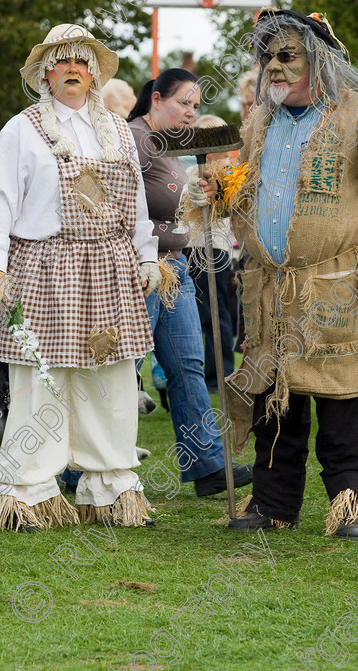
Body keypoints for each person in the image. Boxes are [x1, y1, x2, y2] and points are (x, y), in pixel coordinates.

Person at [191, 9, 358, 537]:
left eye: (286, 55)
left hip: (332, 283)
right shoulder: (260, 122)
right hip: (267, 287)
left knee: (342, 397)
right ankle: (271, 506)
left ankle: (351, 508)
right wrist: (214, 196)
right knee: (274, 399)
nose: (273, 67)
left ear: (319, 59)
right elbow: (241, 188)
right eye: (266, 57)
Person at [0, 24, 160, 531]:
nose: (73, 69)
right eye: (62, 61)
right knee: (40, 381)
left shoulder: (118, 130)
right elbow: (0, 201)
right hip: (46, 267)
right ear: (44, 72)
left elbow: (138, 203)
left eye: (82, 61)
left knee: (111, 377)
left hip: (110, 266)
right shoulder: (21, 128)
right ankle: (28, 494)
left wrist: (146, 256)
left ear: (95, 72)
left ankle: (109, 489)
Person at [127, 69, 253, 497]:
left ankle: (207, 464)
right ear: (156, 98)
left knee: (188, 364)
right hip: (139, 270)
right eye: (184, 102)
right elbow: (124, 210)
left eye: (196, 105)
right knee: (123, 368)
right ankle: (87, 467)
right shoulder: (133, 139)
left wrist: (199, 200)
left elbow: (171, 205)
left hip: (176, 267)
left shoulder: (170, 144)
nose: (191, 112)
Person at [185, 114, 237, 388]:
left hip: (213, 250)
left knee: (215, 315)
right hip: (189, 248)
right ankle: (204, 370)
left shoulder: (227, 172)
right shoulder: (192, 171)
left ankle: (220, 374)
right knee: (197, 316)